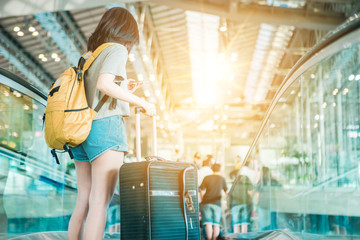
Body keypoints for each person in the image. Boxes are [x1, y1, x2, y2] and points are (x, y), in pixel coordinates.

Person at [67, 7, 156, 240]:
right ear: (127, 30)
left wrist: (124, 88)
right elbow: (104, 85)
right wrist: (142, 102)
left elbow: (94, 90)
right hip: (105, 129)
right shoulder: (117, 49)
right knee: (100, 202)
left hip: (81, 130)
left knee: (83, 200)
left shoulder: (90, 54)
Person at [199, 163, 228, 240]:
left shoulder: (207, 177)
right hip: (217, 203)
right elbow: (227, 192)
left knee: (208, 223)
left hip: (206, 203)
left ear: (212, 169)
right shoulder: (222, 179)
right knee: (216, 224)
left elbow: (201, 190)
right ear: (220, 169)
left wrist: (202, 199)